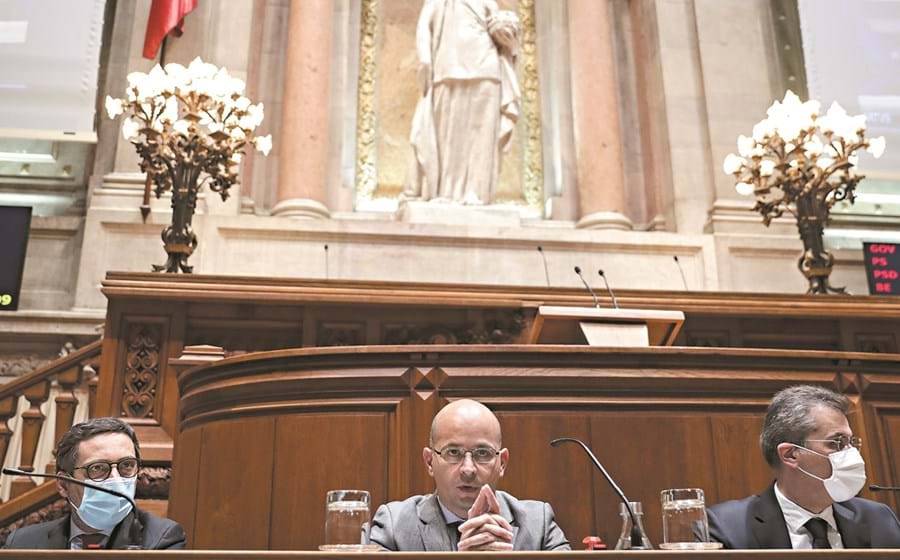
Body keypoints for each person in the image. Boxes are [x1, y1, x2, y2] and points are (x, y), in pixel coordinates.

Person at [707, 385, 900, 549]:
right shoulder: (727, 527)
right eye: (837, 443)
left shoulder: (880, 519)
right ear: (791, 455)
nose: (851, 454)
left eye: (851, 442)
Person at [370, 399, 569, 551]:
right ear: (430, 462)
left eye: (483, 453)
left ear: (502, 462)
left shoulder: (538, 523)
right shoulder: (393, 526)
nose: (468, 469)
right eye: (453, 452)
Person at [4, 417, 185, 550]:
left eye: (127, 466)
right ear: (63, 485)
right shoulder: (22, 544)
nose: (115, 478)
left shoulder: (162, 538)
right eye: (98, 468)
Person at [405, 0, 521, 205]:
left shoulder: (488, 2)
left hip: (486, 70)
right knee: (448, 135)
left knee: (482, 137)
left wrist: (508, 37)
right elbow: (424, 25)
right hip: (447, 67)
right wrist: (425, 59)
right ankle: (445, 193)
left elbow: (503, 40)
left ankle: (476, 192)